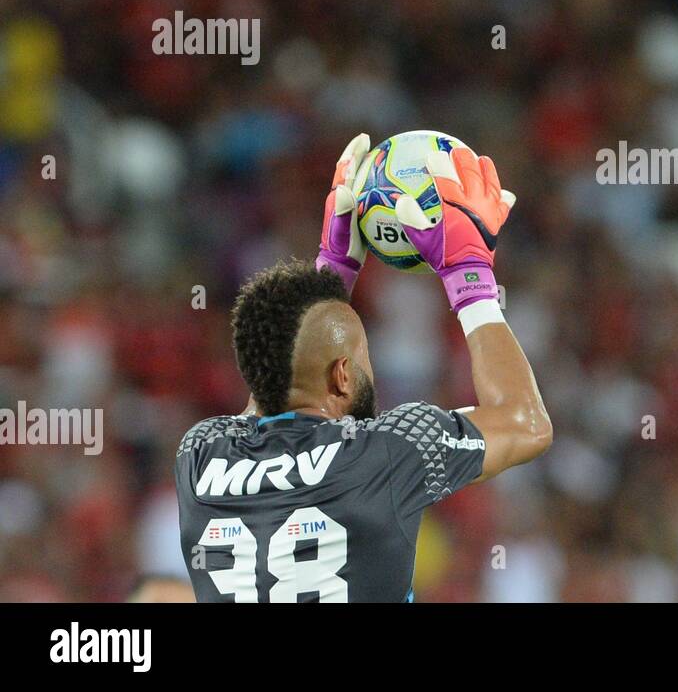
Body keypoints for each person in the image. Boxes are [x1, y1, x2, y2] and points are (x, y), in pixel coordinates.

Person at [174, 135, 551, 602]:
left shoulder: (200, 457)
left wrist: (330, 274)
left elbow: (270, 376)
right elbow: (526, 422)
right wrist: (469, 276)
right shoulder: (388, 453)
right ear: (342, 376)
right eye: (362, 354)